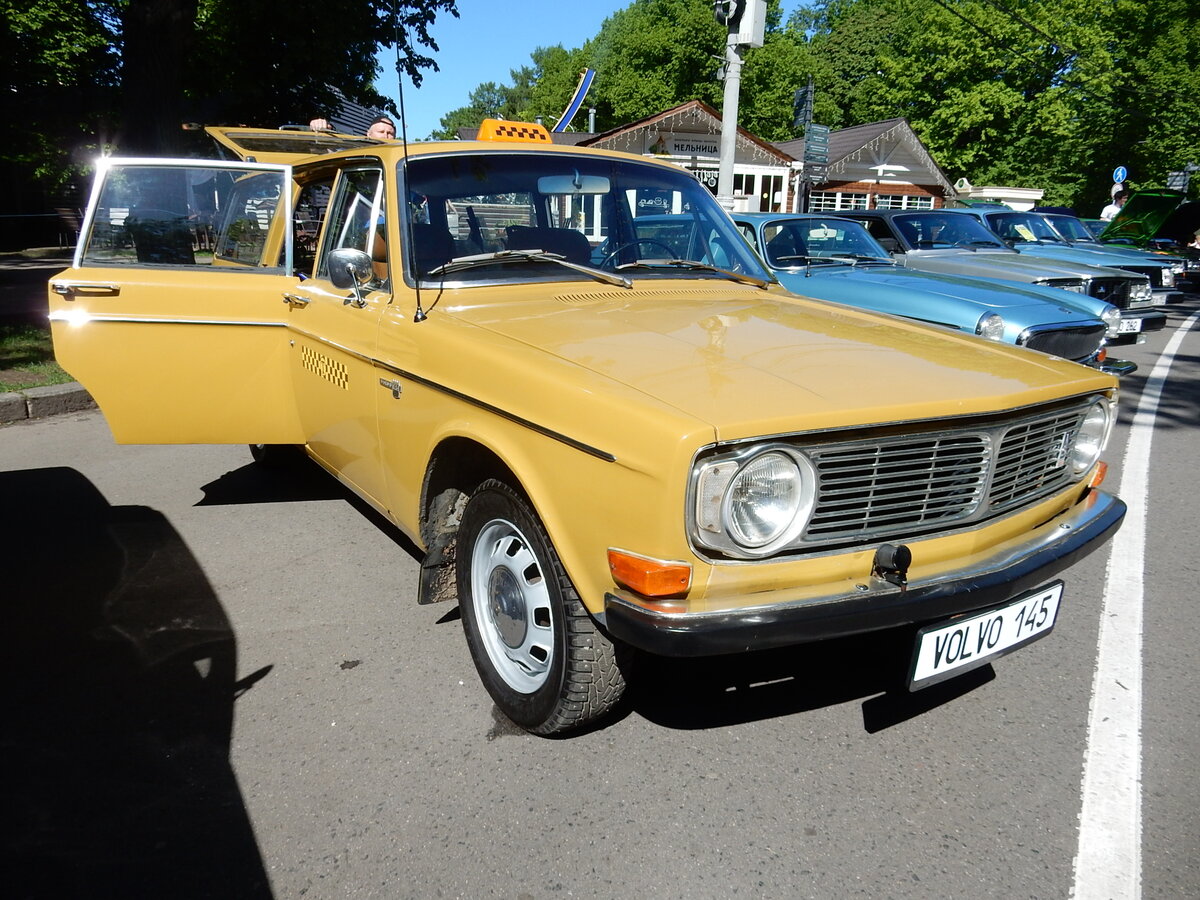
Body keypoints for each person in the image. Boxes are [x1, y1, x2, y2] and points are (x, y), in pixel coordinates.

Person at [308, 115, 397, 141]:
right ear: (369, 134)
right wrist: (321, 126)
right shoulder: (356, 151)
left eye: (390, 133)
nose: (385, 136)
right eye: (381, 132)